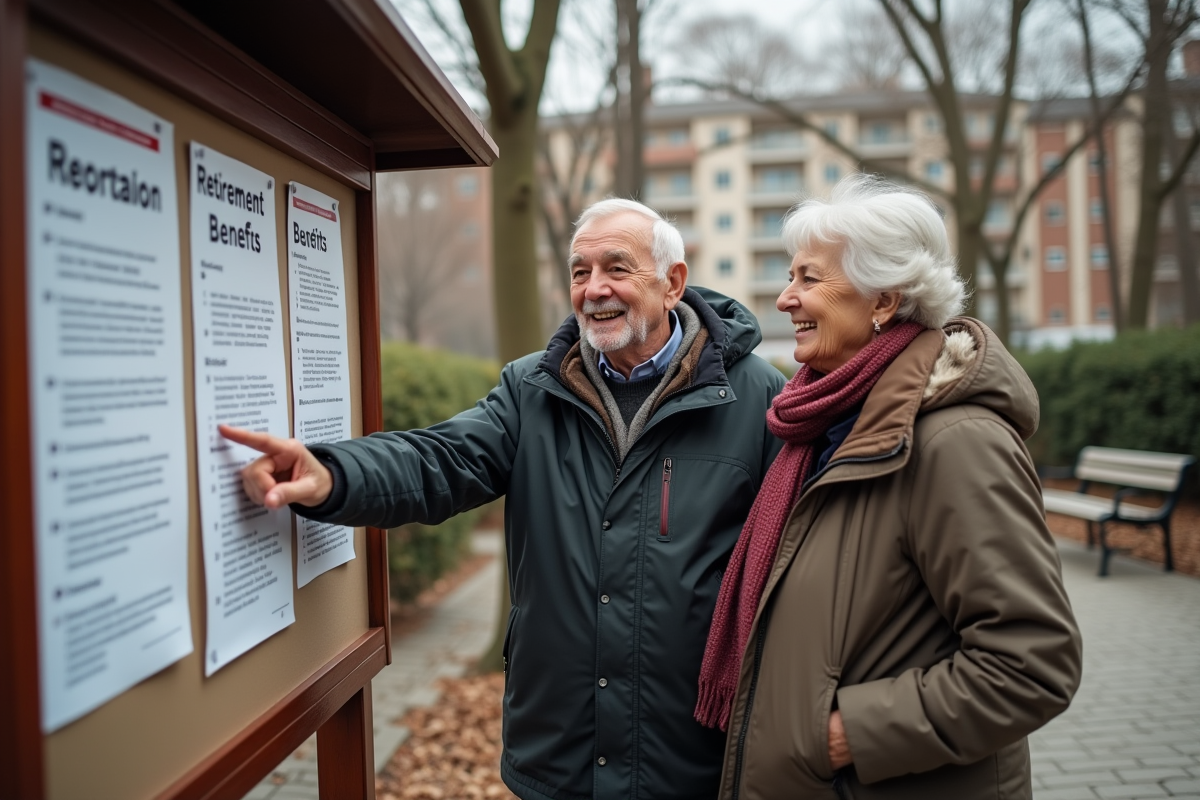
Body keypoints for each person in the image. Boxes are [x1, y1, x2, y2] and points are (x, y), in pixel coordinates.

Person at [221, 199, 785, 800]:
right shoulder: (531, 389)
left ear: (673, 282)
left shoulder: (756, 398)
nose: (594, 289)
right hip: (559, 747)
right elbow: (441, 458)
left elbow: (790, 566)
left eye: (616, 268)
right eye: (578, 271)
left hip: (693, 753)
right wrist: (333, 473)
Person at [695, 175, 1083, 800]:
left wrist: (844, 737)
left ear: (882, 301)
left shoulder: (955, 440)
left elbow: (1031, 663)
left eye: (809, 279)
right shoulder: (822, 431)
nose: (785, 298)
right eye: (790, 277)